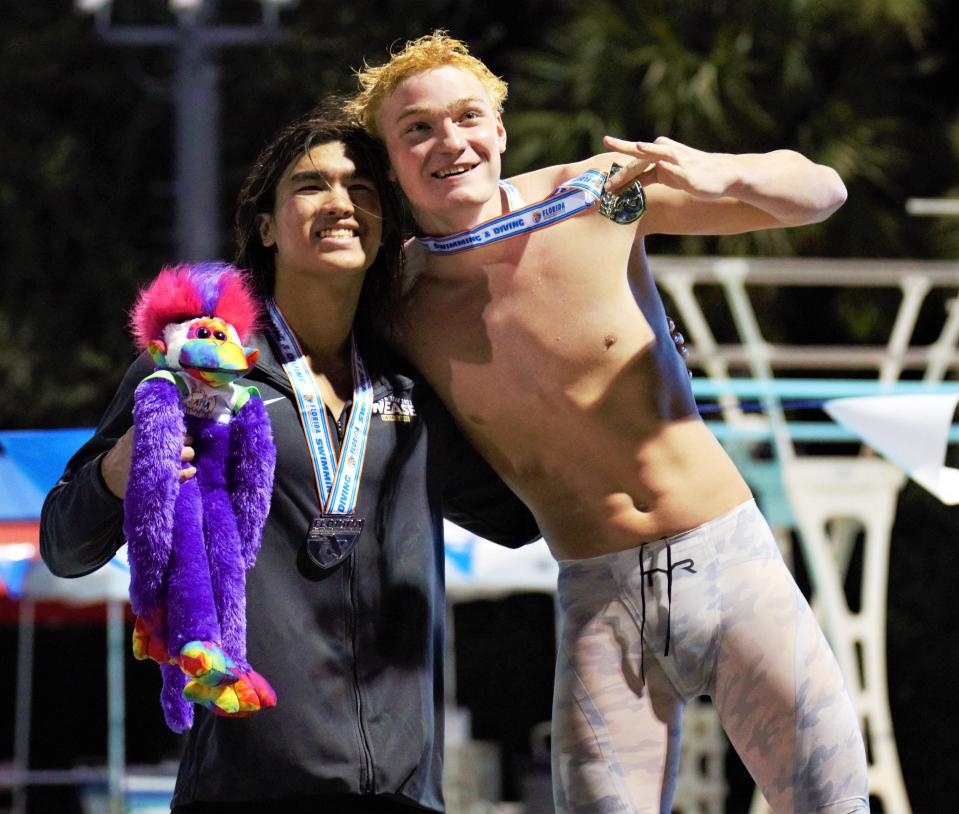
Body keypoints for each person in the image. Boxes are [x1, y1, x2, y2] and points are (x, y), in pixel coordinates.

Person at [346, 32, 870, 814]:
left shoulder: (593, 195)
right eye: (416, 129)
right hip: (599, 599)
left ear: (498, 129)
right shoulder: (395, 306)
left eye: (464, 117)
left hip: (728, 561)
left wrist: (726, 171)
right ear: (389, 162)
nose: (447, 141)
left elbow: (821, 191)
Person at [40, 109, 541, 813]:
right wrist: (115, 475)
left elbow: (520, 518)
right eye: (311, 186)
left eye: (362, 188)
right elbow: (64, 545)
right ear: (267, 226)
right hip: (246, 792)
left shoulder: (410, 379)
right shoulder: (200, 373)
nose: (340, 203)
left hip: (404, 796)